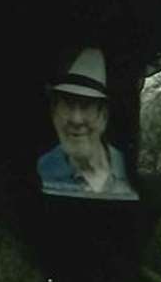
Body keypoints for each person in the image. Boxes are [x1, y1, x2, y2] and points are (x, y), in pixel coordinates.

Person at [36, 46, 137, 199]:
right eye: (67, 104)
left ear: (103, 115)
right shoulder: (42, 170)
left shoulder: (126, 166)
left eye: (86, 105)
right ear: (54, 112)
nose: (76, 119)